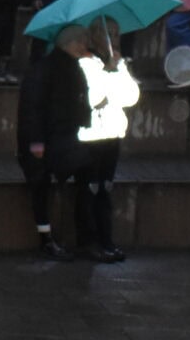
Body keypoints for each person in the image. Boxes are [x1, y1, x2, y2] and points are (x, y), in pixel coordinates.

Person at [16, 20, 133, 263]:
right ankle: (65, 240)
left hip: (71, 137)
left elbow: (128, 96)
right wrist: (37, 141)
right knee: (81, 182)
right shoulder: (57, 68)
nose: (86, 45)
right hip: (58, 141)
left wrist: (117, 69)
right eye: (82, 41)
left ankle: (101, 239)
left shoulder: (74, 66)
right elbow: (37, 107)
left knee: (100, 185)